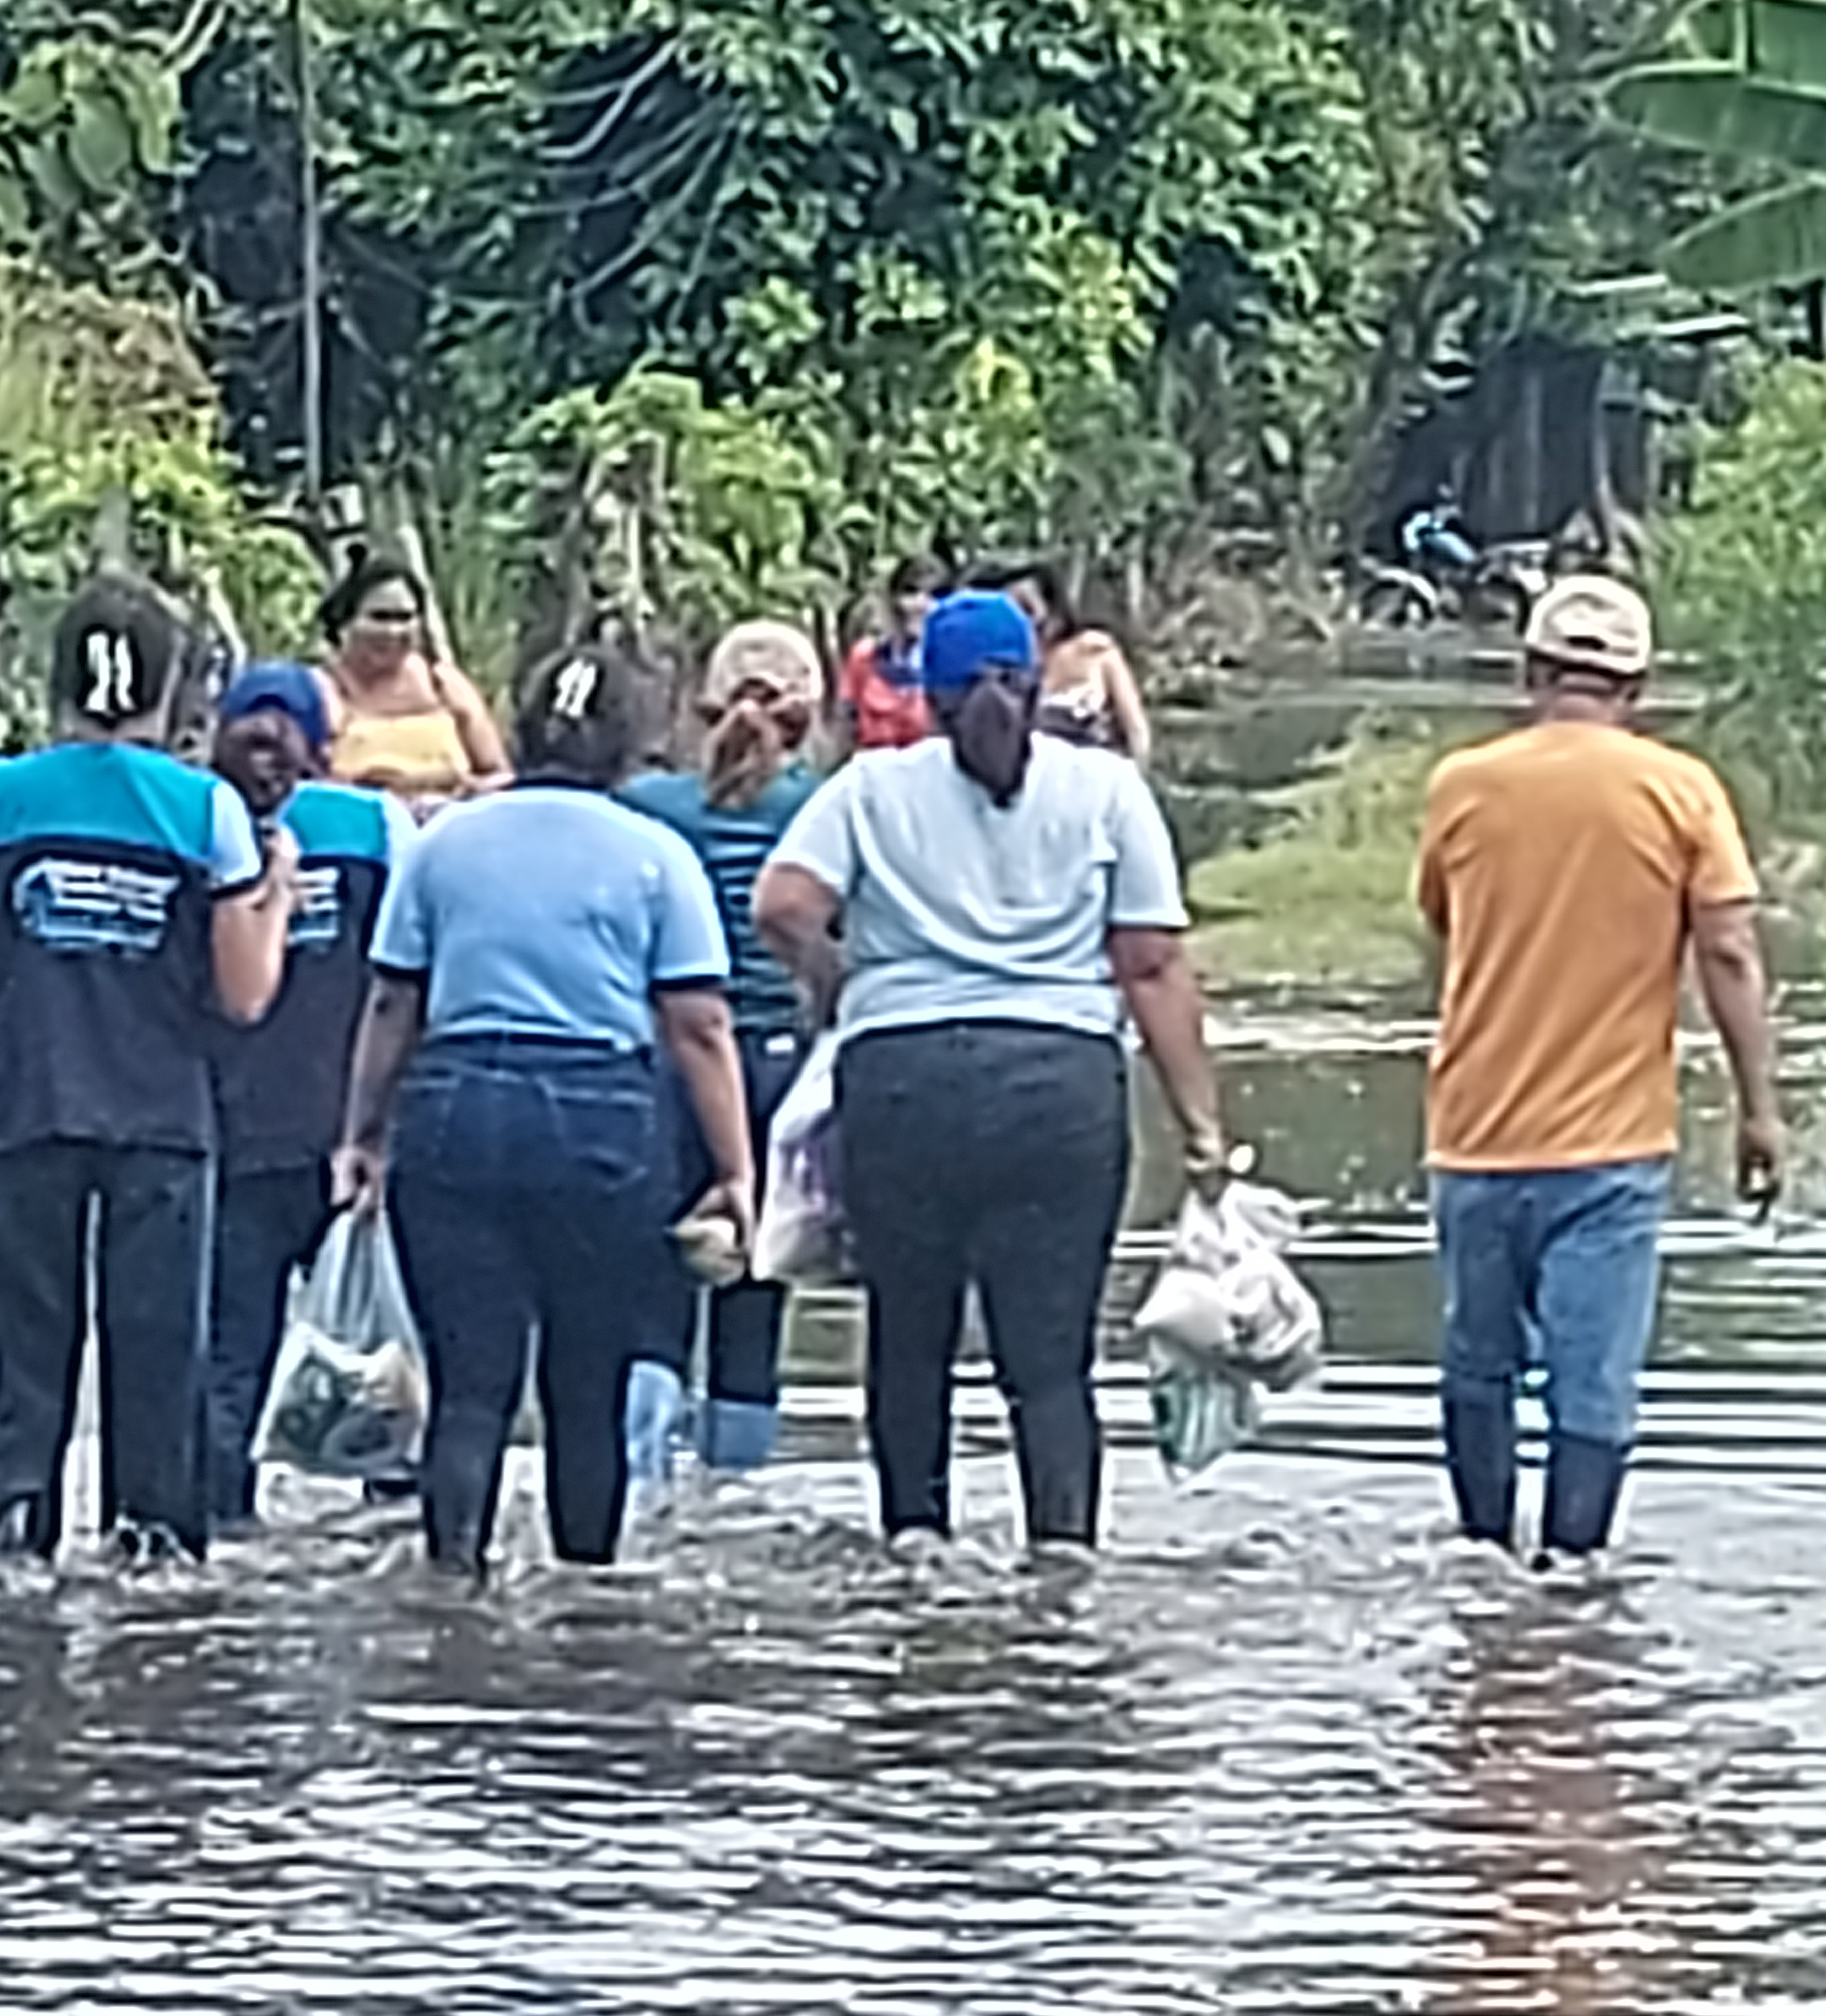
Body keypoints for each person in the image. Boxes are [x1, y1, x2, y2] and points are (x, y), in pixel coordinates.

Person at [753, 591, 1229, 1550]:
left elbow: (782, 906)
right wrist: (1202, 1129)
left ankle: (913, 1553)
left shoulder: (870, 787)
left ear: (923, 695)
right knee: (1049, 1365)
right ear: (1037, 677)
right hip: (1059, 1092)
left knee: (908, 1341)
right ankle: (1061, 1565)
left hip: (904, 1085)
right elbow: (1150, 965)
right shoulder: (1105, 789)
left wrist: (840, 983)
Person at [0, 576, 298, 1584]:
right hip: (160, 1125)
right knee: (158, 1364)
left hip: (20, 1114)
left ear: (57, 680)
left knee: (27, 1366)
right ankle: (151, 1567)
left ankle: (2, 1560)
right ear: (170, 689)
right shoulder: (205, 811)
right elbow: (244, 996)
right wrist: (274, 895)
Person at [336, 649, 759, 1578]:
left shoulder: (445, 844)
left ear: (521, 731)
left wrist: (362, 1133)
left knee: (468, 1390)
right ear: (630, 744)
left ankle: (451, 1592)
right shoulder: (656, 855)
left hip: (456, 1110)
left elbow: (393, 1002)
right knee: (587, 1389)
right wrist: (734, 1170)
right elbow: (698, 1025)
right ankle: (586, 1609)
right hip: (599, 1120)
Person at [1413, 574, 1785, 1561]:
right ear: (1638, 686)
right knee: (1593, 1384)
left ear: (1531, 673)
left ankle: (1481, 1563)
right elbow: (1729, 954)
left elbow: (1444, 921)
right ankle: (1574, 1582)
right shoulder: (1682, 791)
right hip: (1611, 1148)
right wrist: (1759, 1110)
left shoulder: (1462, 786)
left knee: (1478, 1369)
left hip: (1474, 1135)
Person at [201, 660, 407, 1532]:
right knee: (384, 1352)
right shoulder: (372, 827)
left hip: (234, 1135)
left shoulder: (199, 823)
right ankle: (401, 1534)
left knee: (230, 1357)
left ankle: (219, 1533)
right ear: (326, 745)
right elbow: (409, 976)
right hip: (349, 1138)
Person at [617, 621, 826, 1475]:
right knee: (754, 1295)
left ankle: (637, 1487)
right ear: (809, 715)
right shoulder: (824, 806)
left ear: (700, 706)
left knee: (649, 1291)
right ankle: (736, 1496)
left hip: (667, 1061)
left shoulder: (644, 807)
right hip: (779, 1068)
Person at [315, 557, 511, 809]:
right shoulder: (320, 690)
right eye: (379, 618)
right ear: (344, 623)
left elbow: (501, 776)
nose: (393, 631)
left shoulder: (445, 685)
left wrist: (469, 792)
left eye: (405, 618)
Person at [978, 556, 1151, 765]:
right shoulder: (1001, 668)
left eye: (1026, 607)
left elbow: (1136, 730)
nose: (1021, 619)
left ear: (1052, 604)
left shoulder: (1094, 650)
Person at [838, 555, 944, 755]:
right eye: (911, 592)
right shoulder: (865, 657)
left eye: (934, 595)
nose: (921, 603)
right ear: (893, 598)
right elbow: (846, 724)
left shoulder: (954, 663)